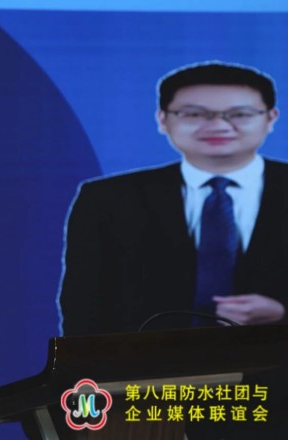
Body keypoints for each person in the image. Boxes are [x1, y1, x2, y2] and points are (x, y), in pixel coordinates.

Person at [58, 61, 287, 438]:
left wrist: (282, 312)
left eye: (239, 114)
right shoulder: (108, 200)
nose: (218, 125)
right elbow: (84, 308)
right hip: (147, 400)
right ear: (163, 119)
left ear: (270, 118)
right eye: (195, 114)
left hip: (275, 394)